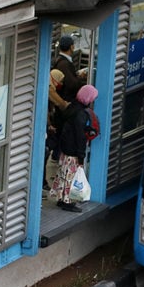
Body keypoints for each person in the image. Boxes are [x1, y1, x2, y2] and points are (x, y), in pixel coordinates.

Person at [50, 84, 99, 212]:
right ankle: (68, 201)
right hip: (73, 150)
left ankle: (60, 198)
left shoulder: (72, 107)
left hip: (65, 147)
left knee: (63, 173)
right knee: (71, 176)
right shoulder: (81, 114)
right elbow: (80, 136)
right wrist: (81, 155)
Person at [53, 35, 81, 104]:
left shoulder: (60, 60)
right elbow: (71, 84)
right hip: (67, 101)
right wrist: (80, 77)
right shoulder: (64, 63)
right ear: (71, 47)